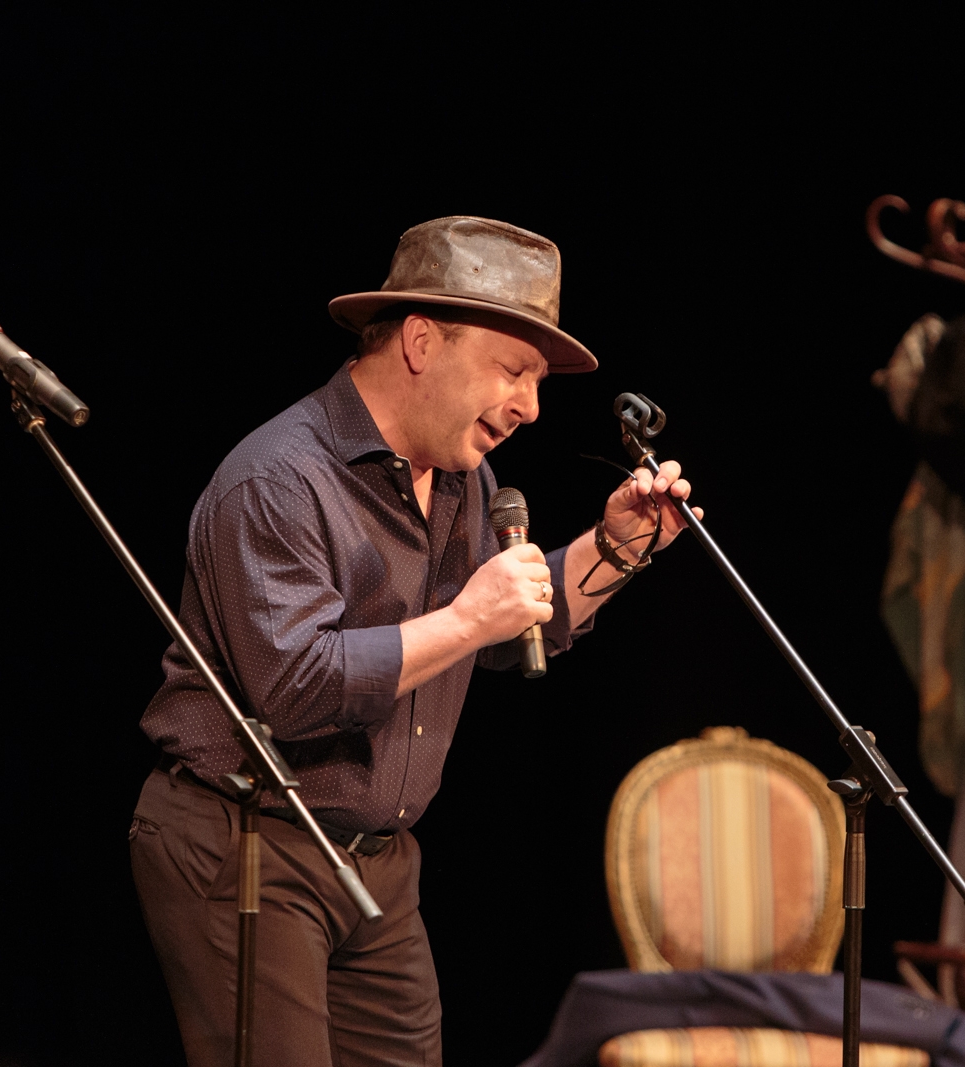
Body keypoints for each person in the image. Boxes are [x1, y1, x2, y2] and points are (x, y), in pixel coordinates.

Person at [129, 217, 696, 1067]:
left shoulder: (464, 479)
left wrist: (612, 550)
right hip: (247, 844)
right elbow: (298, 688)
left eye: (537, 381)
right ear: (422, 342)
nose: (531, 406)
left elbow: (503, 631)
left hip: (378, 864)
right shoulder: (278, 478)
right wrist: (469, 617)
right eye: (513, 370)